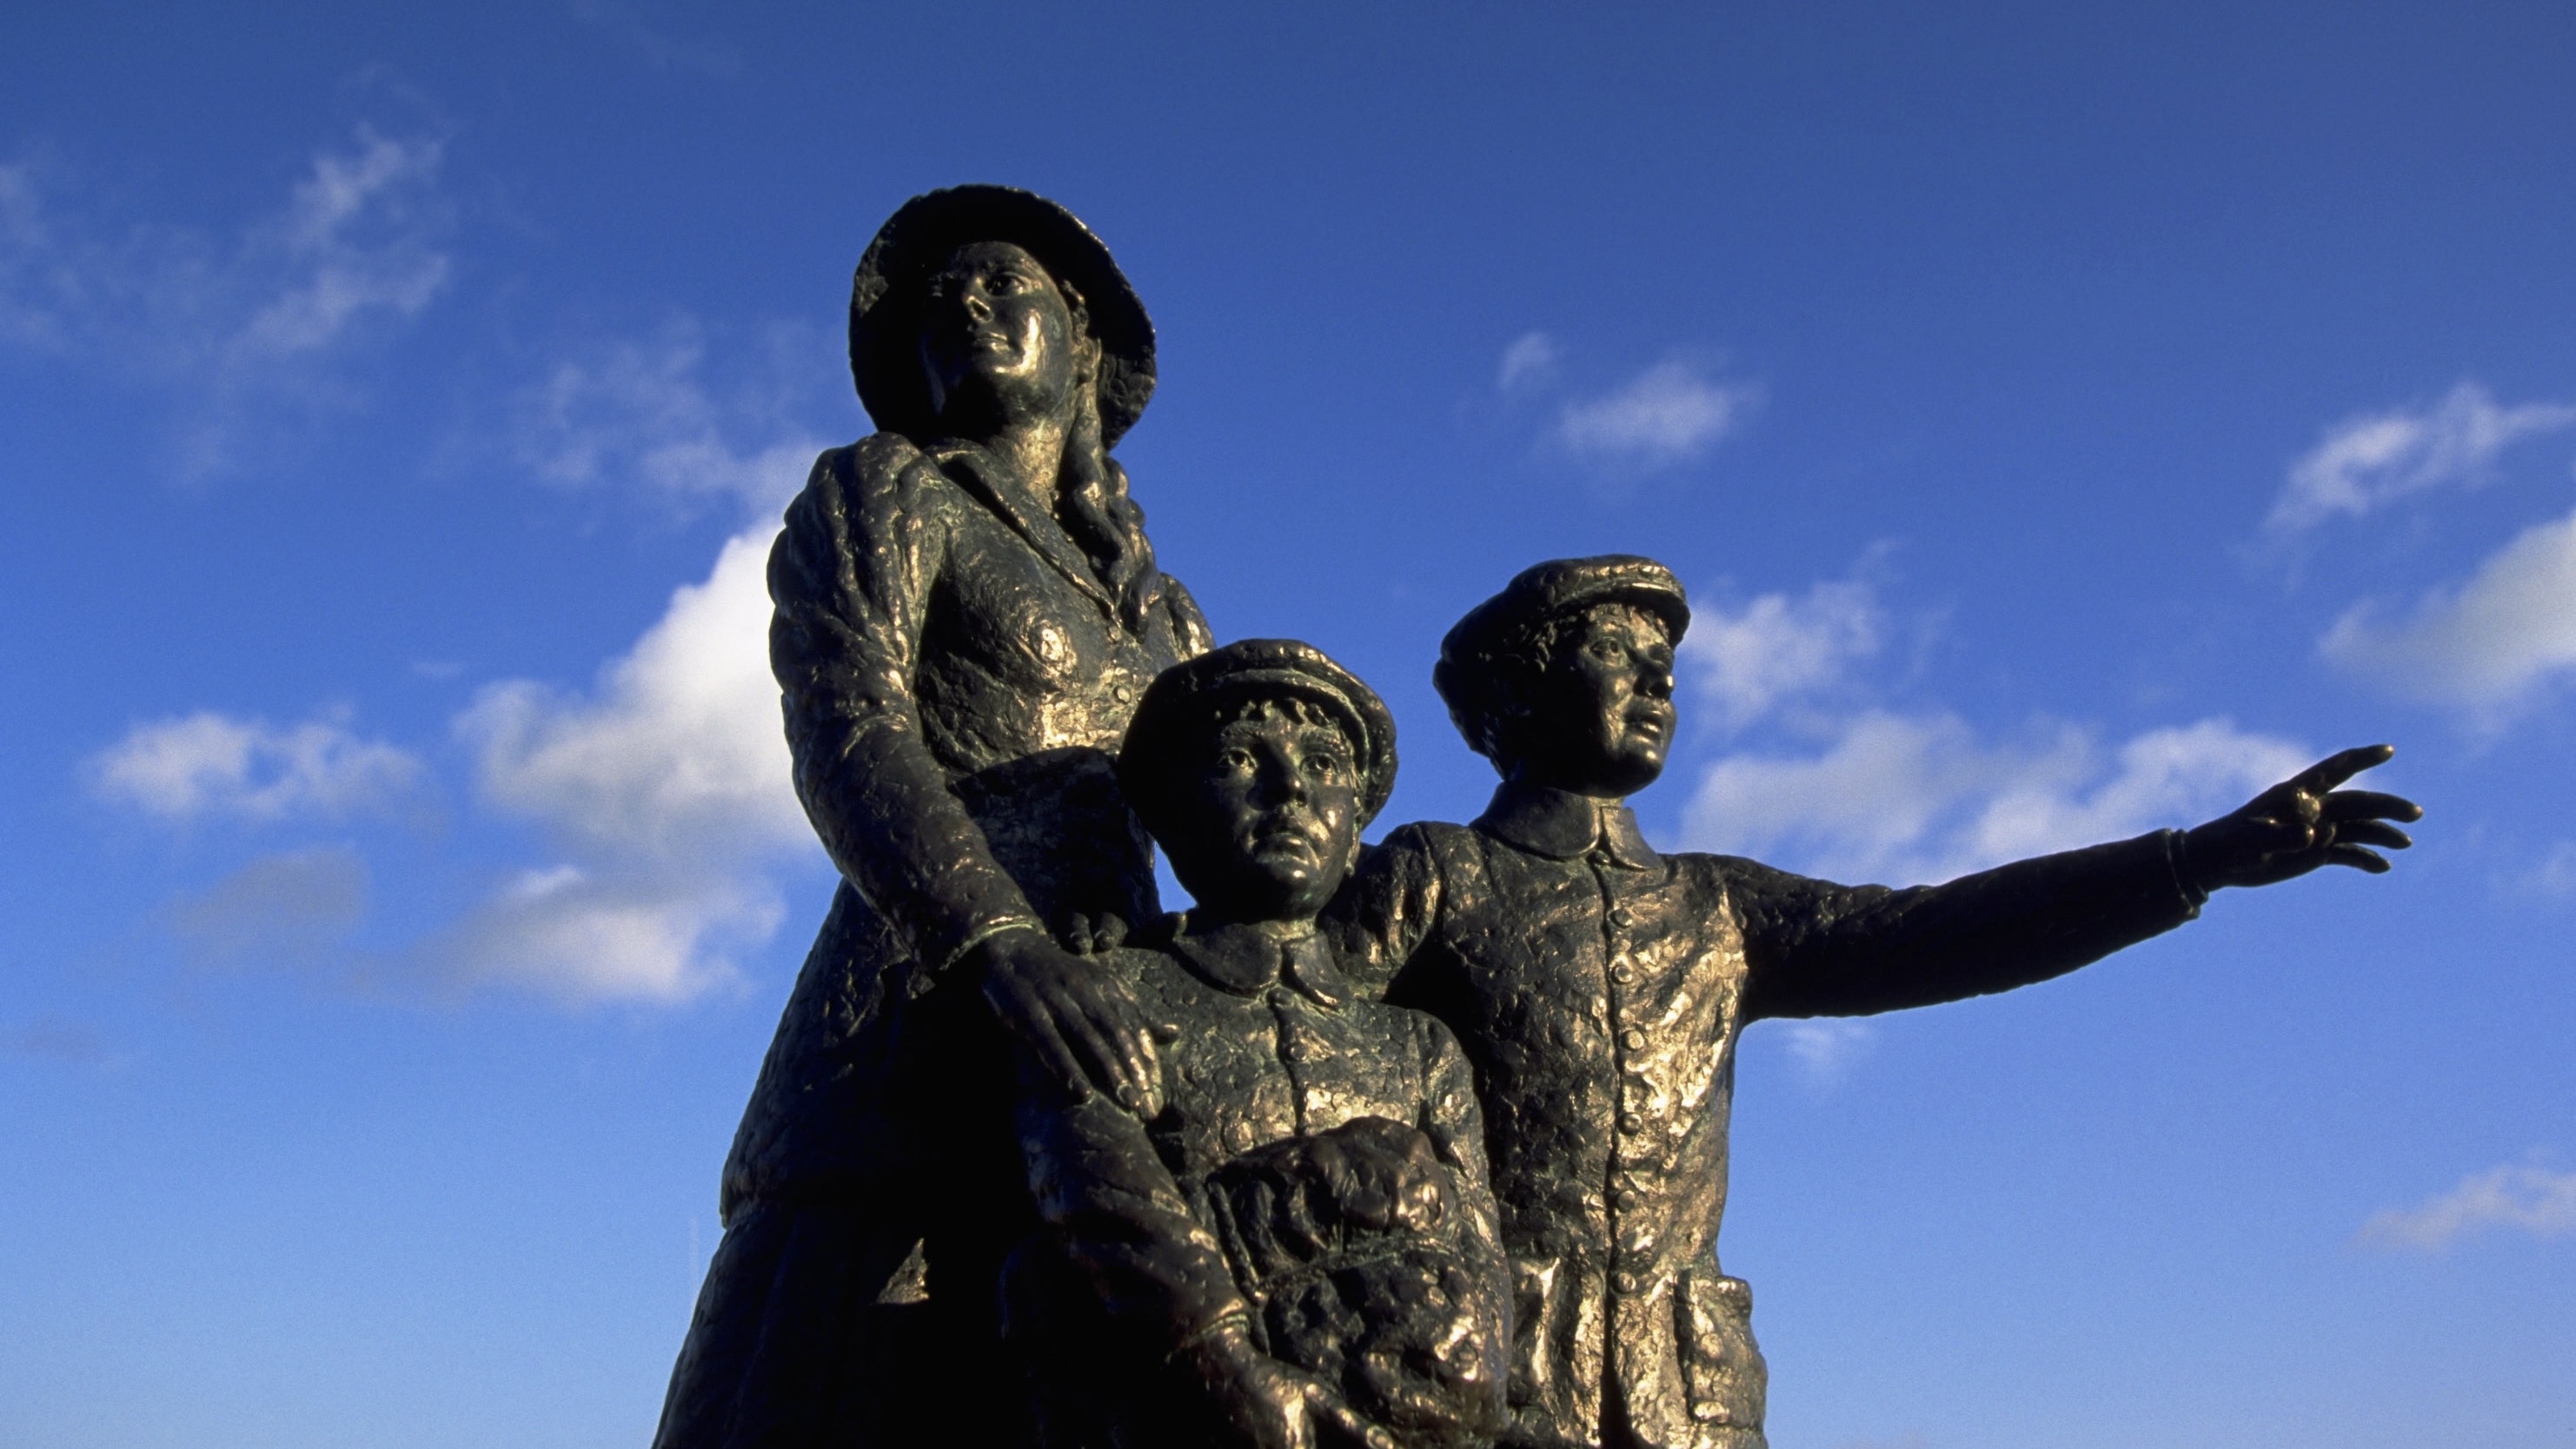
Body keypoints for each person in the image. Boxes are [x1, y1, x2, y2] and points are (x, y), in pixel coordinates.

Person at [1328, 555, 2421, 1449]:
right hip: (1488, 1368)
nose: (1656, 684)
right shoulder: (1440, 869)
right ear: (1517, 690)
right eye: (1613, 653)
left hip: (1691, 1394)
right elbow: (1293, 1036)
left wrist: (2189, 861)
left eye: (1665, 665)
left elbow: (1938, 932)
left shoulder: (1719, 905)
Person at [653, 187, 1212, 1449]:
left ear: (1081, 337)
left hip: (1102, 1048)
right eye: (939, 300)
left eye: (1001, 284)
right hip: (907, 1030)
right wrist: (999, 946)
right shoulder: (886, 488)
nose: (965, 305)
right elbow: (850, 730)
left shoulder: (1168, 612)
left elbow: (1242, 846)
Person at [1006, 640, 1509, 1449]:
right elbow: (1100, 1206)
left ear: (1355, 836)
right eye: (1241, 758)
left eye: (1324, 764)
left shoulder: (1418, 1046)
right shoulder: (1110, 993)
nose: (1291, 789)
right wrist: (1229, 1364)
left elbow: (1480, 1265)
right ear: (1169, 816)